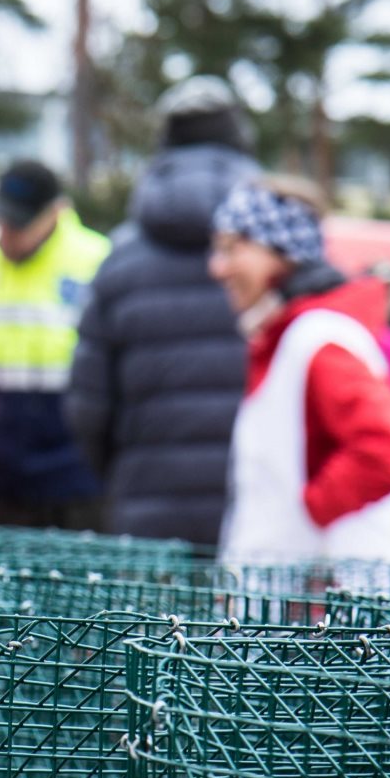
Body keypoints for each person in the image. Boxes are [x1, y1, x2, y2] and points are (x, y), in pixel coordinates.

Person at [64, 76, 257, 546]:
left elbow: (88, 405)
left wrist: (126, 474)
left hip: (148, 506)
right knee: (259, 621)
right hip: (259, 503)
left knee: (157, 623)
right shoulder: (280, 257)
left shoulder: (119, 259)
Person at [209, 176, 390, 564]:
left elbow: (388, 452)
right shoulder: (288, 336)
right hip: (300, 604)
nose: (217, 268)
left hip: (322, 607)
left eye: (233, 248)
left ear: (283, 253)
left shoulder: (318, 338)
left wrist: (307, 517)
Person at [0, 160, 111, 529]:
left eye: (21, 223)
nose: (8, 234)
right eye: (2, 220)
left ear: (57, 212)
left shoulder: (98, 263)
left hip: (81, 488)